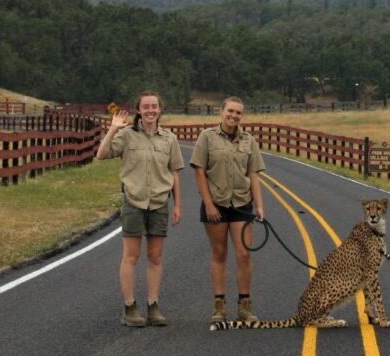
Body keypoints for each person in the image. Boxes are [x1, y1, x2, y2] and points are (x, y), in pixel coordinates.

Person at [96, 91, 184, 327]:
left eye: (154, 107)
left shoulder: (169, 139)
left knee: (155, 257)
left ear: (160, 110)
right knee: (131, 256)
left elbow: (174, 172)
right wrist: (113, 129)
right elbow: (101, 154)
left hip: (158, 203)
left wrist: (178, 205)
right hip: (134, 202)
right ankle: (129, 307)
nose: (150, 111)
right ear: (139, 110)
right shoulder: (126, 136)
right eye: (146, 107)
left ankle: (153, 306)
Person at [190, 96, 266, 325]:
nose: (234, 116)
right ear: (221, 111)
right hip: (217, 203)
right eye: (230, 111)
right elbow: (199, 171)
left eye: (238, 113)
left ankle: (245, 306)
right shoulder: (207, 138)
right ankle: (219, 306)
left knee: (244, 254)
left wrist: (260, 206)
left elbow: (253, 175)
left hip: (242, 204)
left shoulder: (248, 140)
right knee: (219, 254)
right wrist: (209, 204)